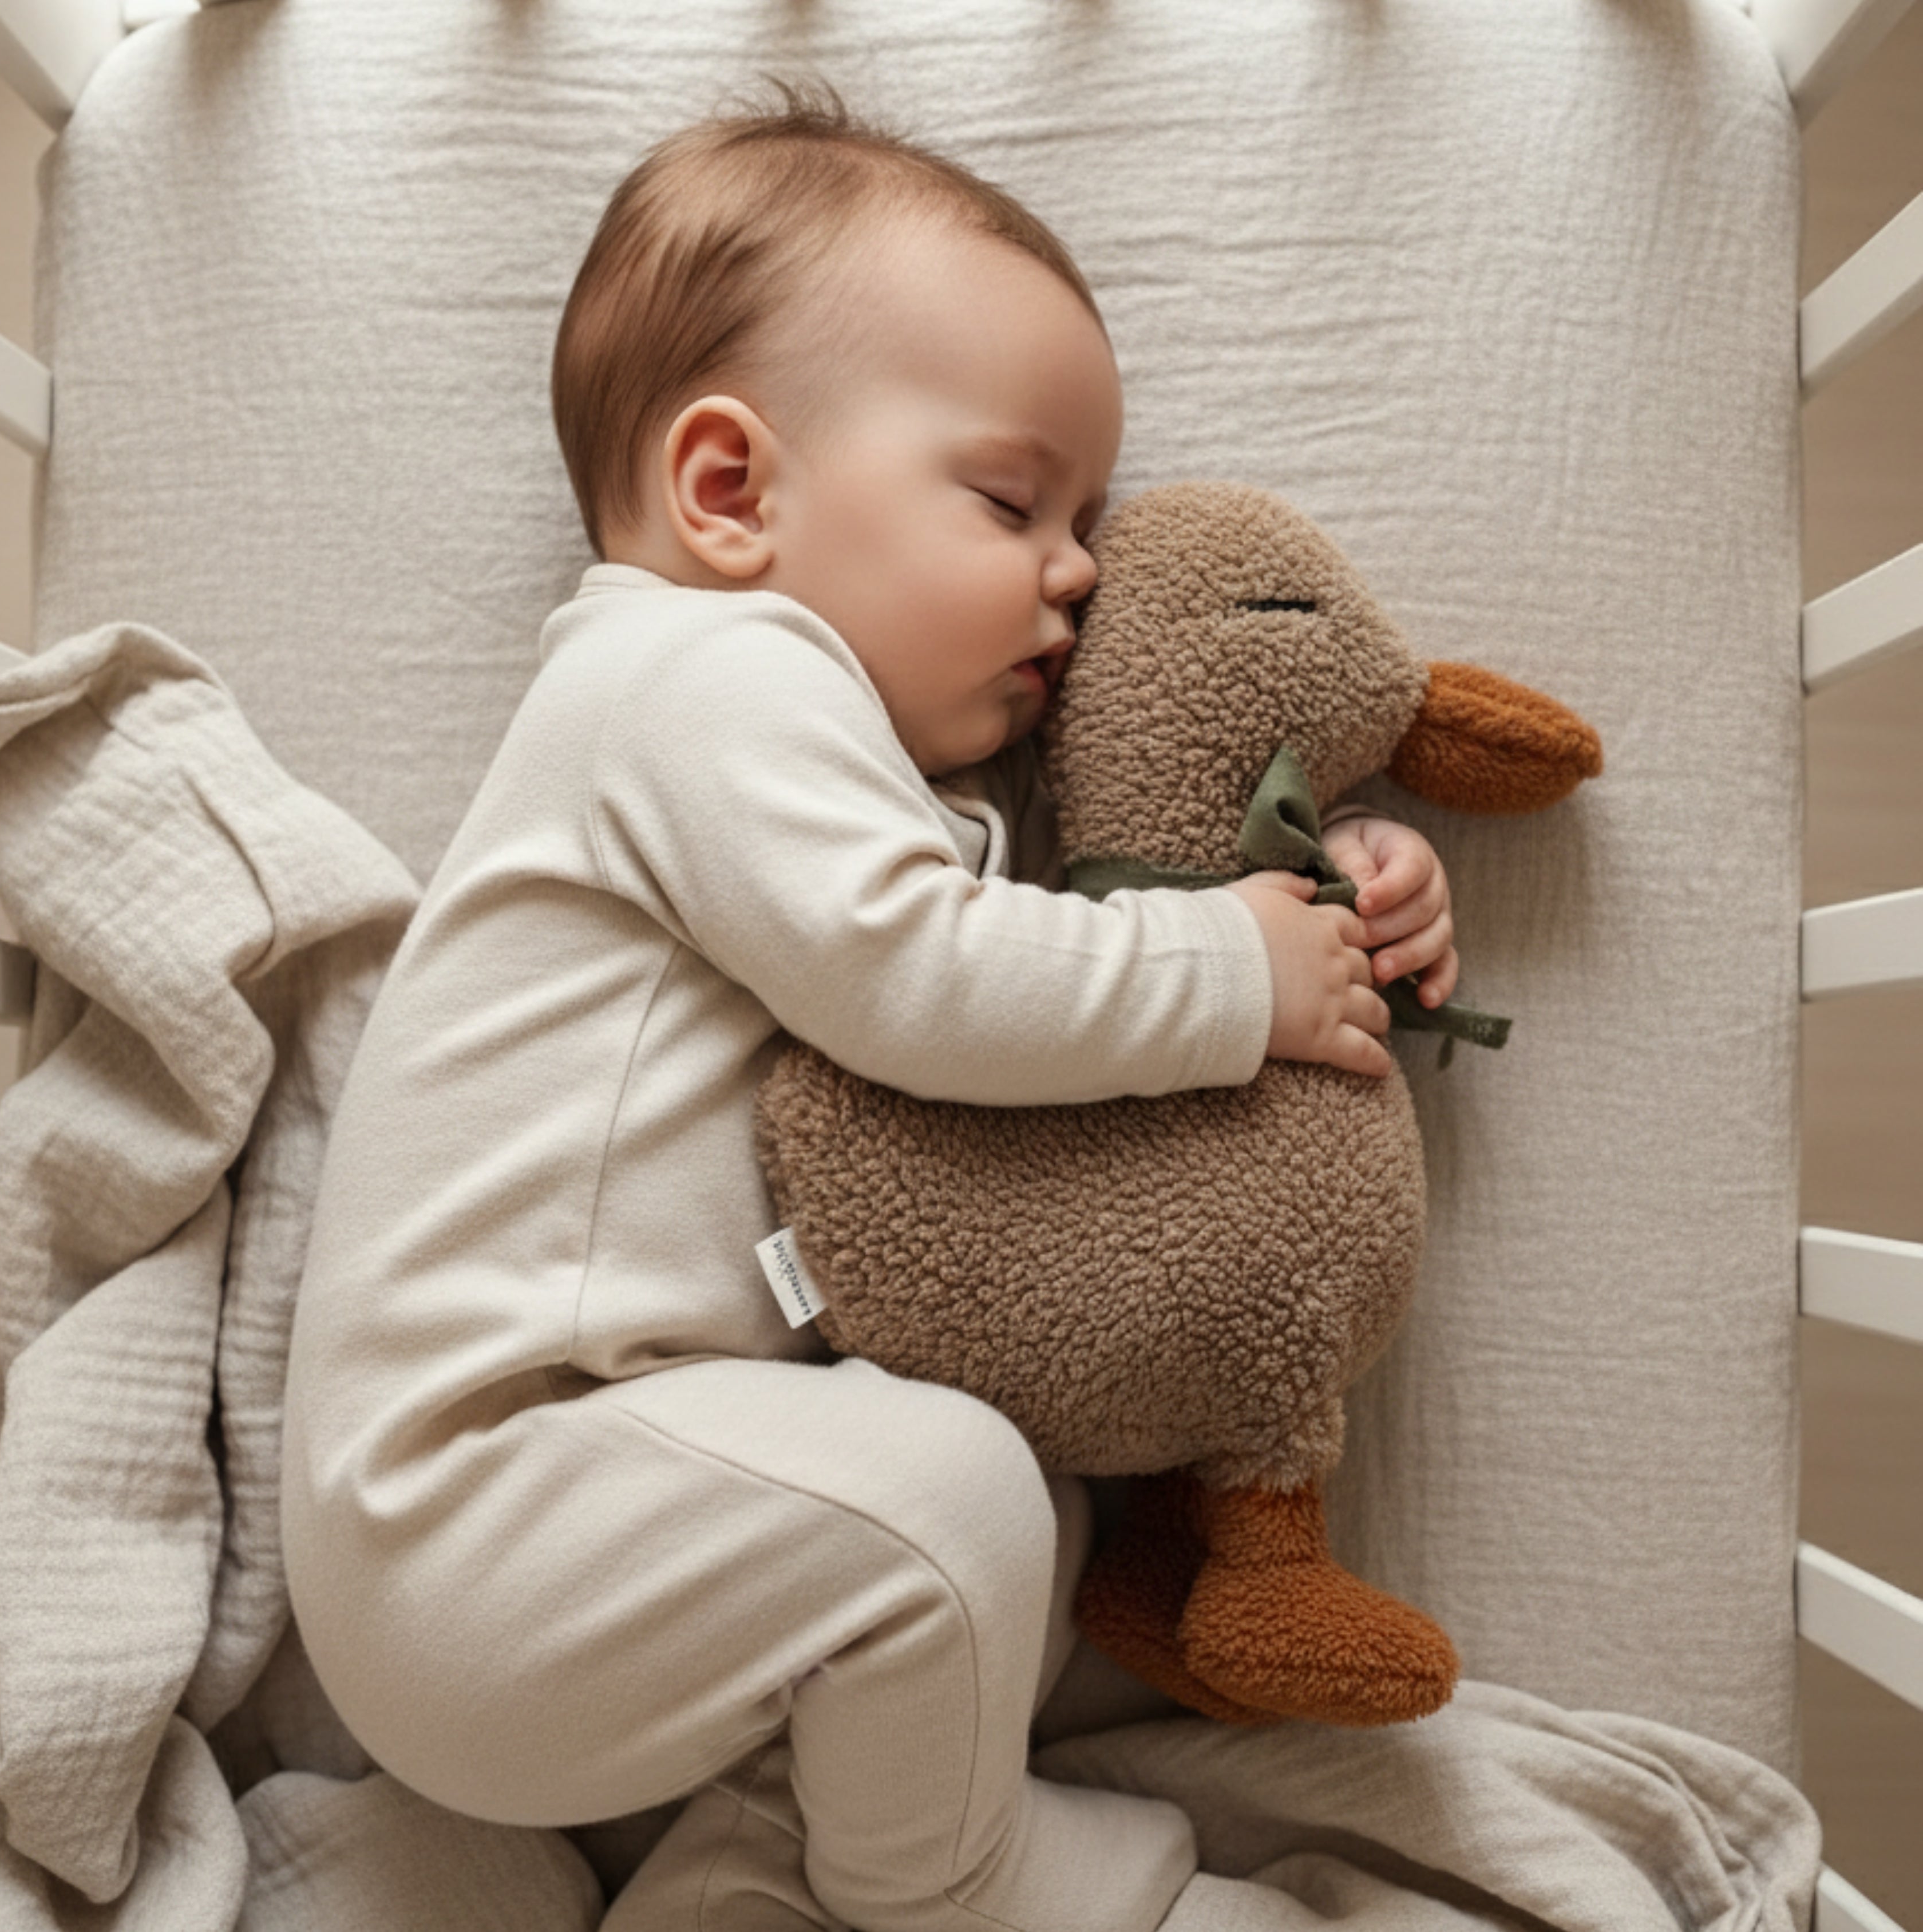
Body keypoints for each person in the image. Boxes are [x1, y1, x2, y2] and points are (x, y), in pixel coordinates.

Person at [280, 84, 1459, 1932]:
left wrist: (1333, 900)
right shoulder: (697, 677)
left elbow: (1032, 974)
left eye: (1085, 517)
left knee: (1001, 1480)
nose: (1078, 569)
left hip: (619, 1518)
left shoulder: (839, 773)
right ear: (732, 493)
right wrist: (1233, 972)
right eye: (1014, 500)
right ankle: (946, 1887)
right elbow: (929, 987)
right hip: (483, 1516)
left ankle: (774, 1864)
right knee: (956, 1494)